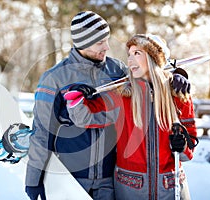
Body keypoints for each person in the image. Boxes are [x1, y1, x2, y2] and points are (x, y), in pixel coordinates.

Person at [25, 10, 191, 200]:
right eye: (99, 42)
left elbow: (150, 75)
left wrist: (175, 78)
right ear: (83, 43)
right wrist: (34, 178)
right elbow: (41, 133)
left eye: (107, 39)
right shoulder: (55, 78)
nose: (106, 47)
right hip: (70, 178)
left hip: (109, 179)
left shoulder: (117, 70)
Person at [65, 34, 198, 200]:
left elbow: (189, 150)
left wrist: (182, 145)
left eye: (137, 53)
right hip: (131, 189)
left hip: (170, 188)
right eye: (129, 54)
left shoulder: (178, 95)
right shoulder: (121, 96)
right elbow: (85, 117)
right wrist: (77, 100)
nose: (130, 60)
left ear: (152, 58)